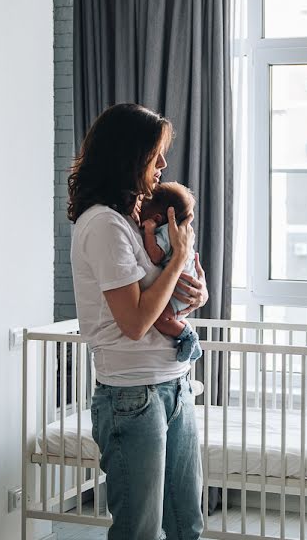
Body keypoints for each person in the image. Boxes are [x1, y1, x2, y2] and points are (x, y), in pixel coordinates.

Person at [68, 103, 207, 540]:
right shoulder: (103, 225)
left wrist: (197, 292)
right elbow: (134, 321)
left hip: (175, 385)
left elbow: (165, 290)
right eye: (156, 154)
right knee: (139, 531)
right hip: (133, 394)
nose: (163, 164)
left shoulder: (133, 219)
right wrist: (179, 259)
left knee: (187, 524)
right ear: (129, 156)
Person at [139, 181, 203, 363]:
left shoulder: (166, 232)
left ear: (158, 219)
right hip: (187, 283)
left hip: (181, 288)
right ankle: (186, 333)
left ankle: (189, 337)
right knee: (170, 317)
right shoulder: (180, 231)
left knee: (161, 319)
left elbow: (156, 255)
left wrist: (149, 233)